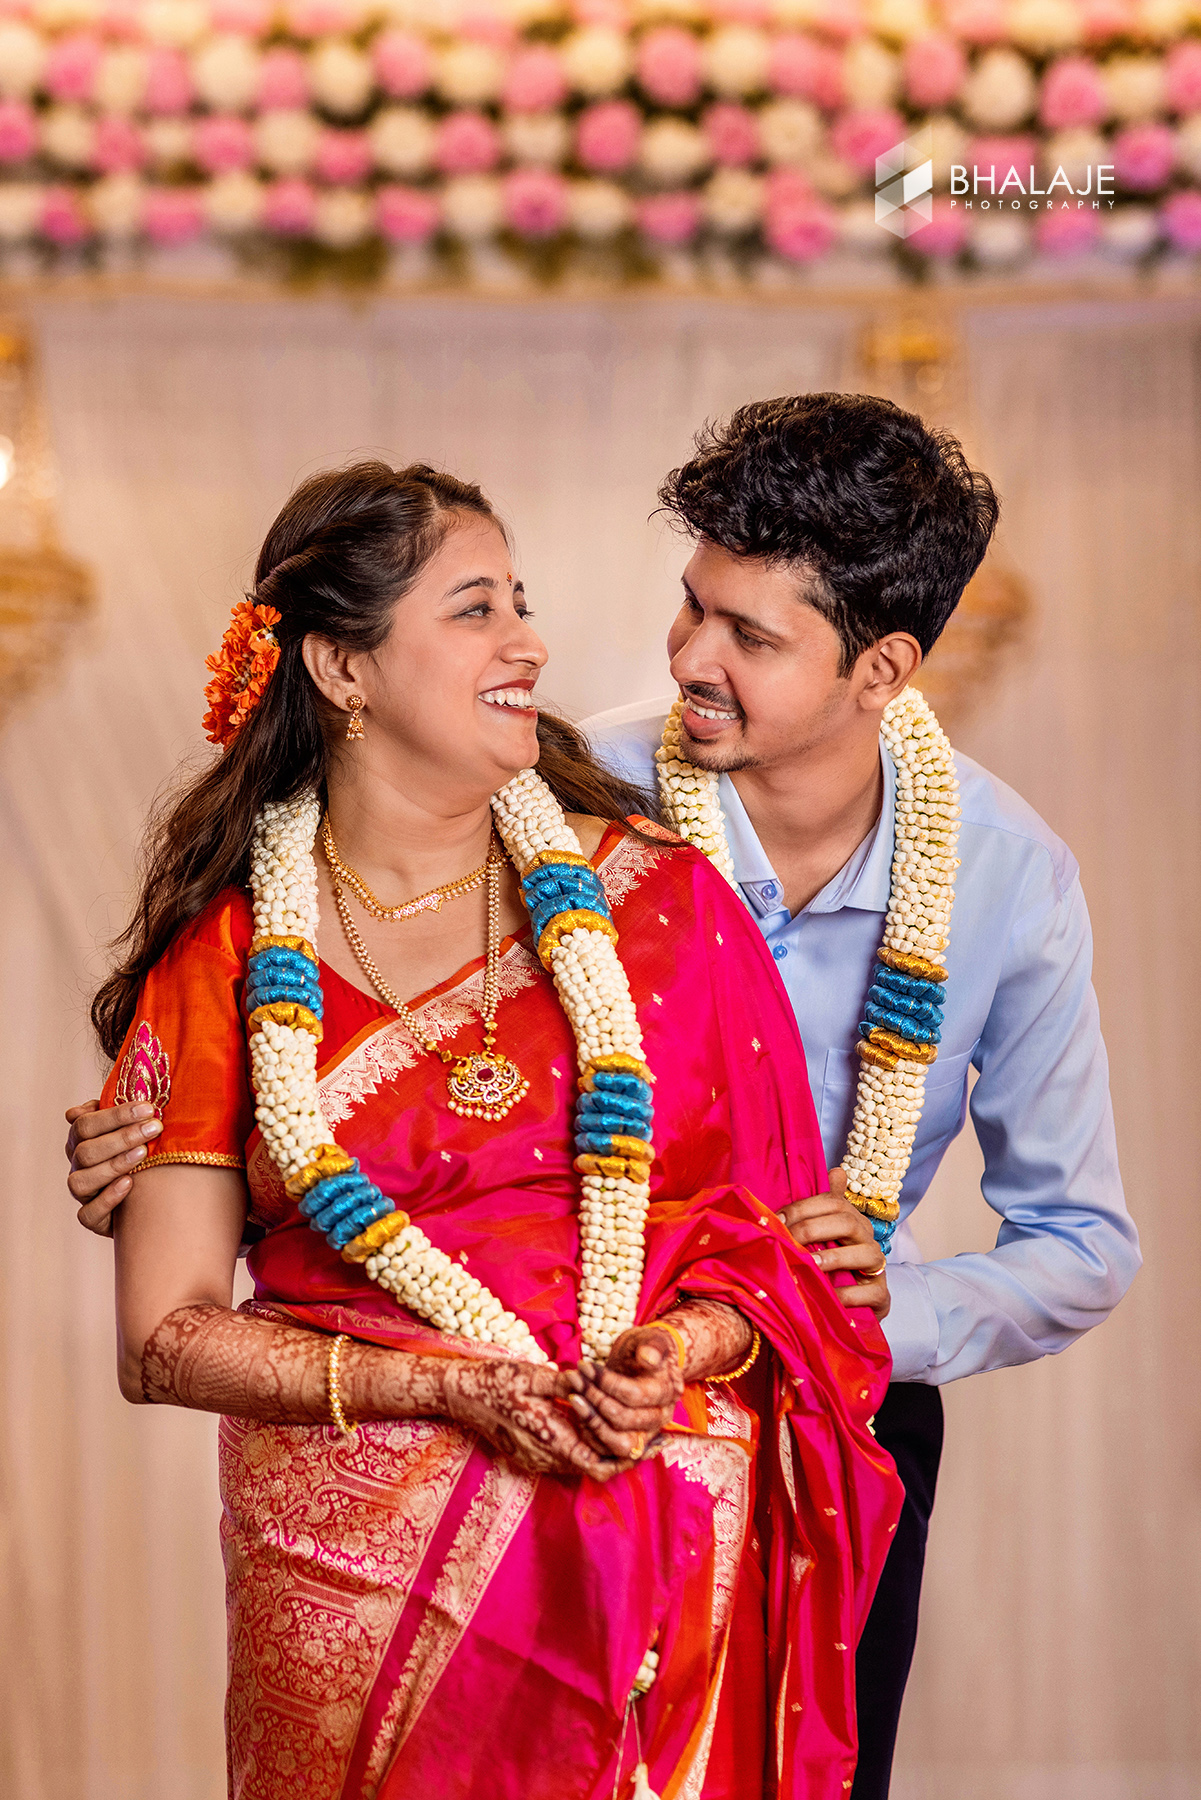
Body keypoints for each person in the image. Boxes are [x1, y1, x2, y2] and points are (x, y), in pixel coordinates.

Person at [67, 394, 1142, 1796]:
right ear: (340, 667)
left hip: (766, 1428)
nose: (687, 657)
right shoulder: (559, 784)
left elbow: (1079, 1241)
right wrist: (168, 1152)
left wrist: (841, 1313)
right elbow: (216, 1245)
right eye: (691, 607)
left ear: (879, 670)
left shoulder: (985, 872)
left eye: (749, 637)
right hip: (375, 1502)